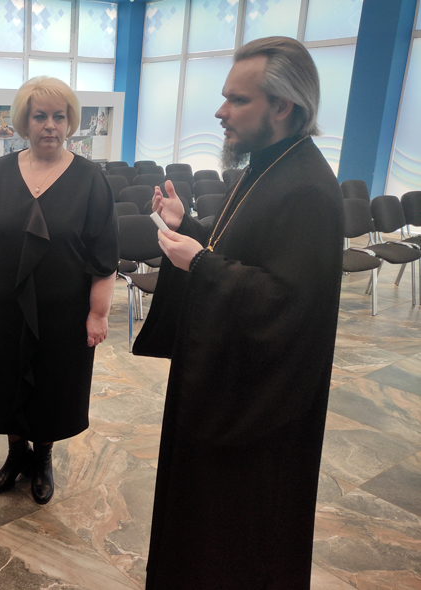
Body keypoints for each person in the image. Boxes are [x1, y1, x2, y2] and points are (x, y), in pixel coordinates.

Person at [133, 37, 344, 589]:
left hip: (258, 416)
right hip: (224, 388)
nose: (220, 112)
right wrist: (186, 227)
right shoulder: (267, 166)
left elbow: (287, 305)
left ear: (283, 106)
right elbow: (240, 253)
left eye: (237, 100)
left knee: (238, 541)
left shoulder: (308, 189)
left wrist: (200, 264)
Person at [0, 76, 119, 505]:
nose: (50, 125)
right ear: (23, 122)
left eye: (59, 117)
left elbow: (104, 256)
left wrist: (98, 314)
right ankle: (16, 454)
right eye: (40, 116)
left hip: (63, 313)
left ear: (70, 122)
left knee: (52, 385)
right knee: (7, 381)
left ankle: (43, 457)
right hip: (4, 309)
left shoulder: (91, 179)